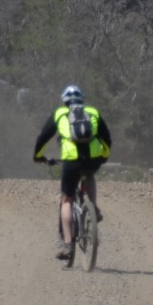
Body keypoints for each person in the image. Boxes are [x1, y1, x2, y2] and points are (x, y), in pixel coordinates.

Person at [33, 84, 112, 260]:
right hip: (93, 159)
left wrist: (38, 156)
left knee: (67, 200)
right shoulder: (92, 111)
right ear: (82, 100)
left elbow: (43, 138)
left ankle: (68, 244)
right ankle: (93, 206)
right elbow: (107, 138)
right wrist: (104, 156)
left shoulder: (59, 113)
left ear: (64, 101)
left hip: (71, 161)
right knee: (89, 175)